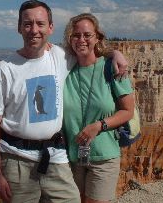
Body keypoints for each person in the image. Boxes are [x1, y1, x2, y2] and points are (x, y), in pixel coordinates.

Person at [0, 0, 128, 203]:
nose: (34, 29)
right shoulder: (5, 68)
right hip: (17, 161)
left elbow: (89, 49)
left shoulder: (61, 56)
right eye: (27, 24)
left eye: (40, 23)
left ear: (50, 27)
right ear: (19, 28)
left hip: (56, 159)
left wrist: (115, 53)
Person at [62, 13, 135, 203]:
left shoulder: (112, 68)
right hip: (72, 158)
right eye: (76, 35)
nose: (81, 40)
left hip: (104, 157)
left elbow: (128, 111)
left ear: (97, 38)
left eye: (87, 35)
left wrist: (98, 126)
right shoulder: (65, 70)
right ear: (69, 39)